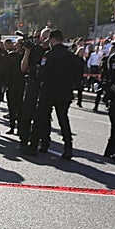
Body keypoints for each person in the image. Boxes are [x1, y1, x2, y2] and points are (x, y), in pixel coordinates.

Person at [32, 29, 84, 159]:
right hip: (65, 92)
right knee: (63, 120)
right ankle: (68, 147)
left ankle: (37, 145)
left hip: (49, 91)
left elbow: (42, 75)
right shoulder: (70, 55)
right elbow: (78, 73)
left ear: (52, 40)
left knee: (41, 118)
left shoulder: (49, 55)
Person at [17, 29, 47, 149]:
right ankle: (24, 139)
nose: (38, 39)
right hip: (31, 83)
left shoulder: (50, 52)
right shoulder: (33, 50)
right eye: (36, 37)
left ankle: (43, 140)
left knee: (43, 115)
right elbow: (23, 68)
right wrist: (27, 52)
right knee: (26, 112)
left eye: (40, 37)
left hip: (44, 85)